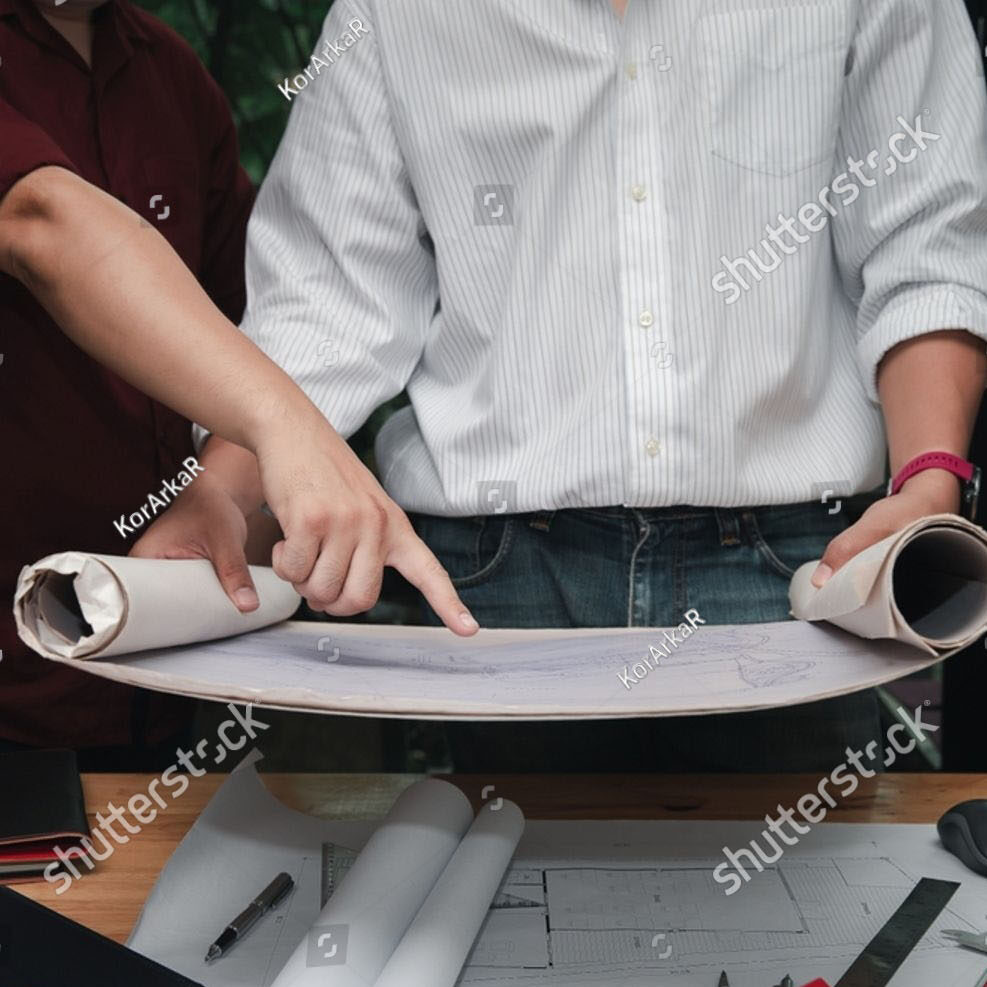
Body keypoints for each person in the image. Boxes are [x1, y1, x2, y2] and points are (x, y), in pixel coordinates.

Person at [18, 0, 987, 771]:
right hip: (498, 586)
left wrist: (928, 480)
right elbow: (328, 302)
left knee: (825, 923)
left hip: (794, 570)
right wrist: (224, 495)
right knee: (516, 919)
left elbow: (926, 244)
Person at [0, 0, 263, 766]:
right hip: (20, 658)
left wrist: (238, 486)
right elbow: (41, 220)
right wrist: (292, 432)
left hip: (165, 646)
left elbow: (252, 327)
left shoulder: (172, 74)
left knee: (167, 878)